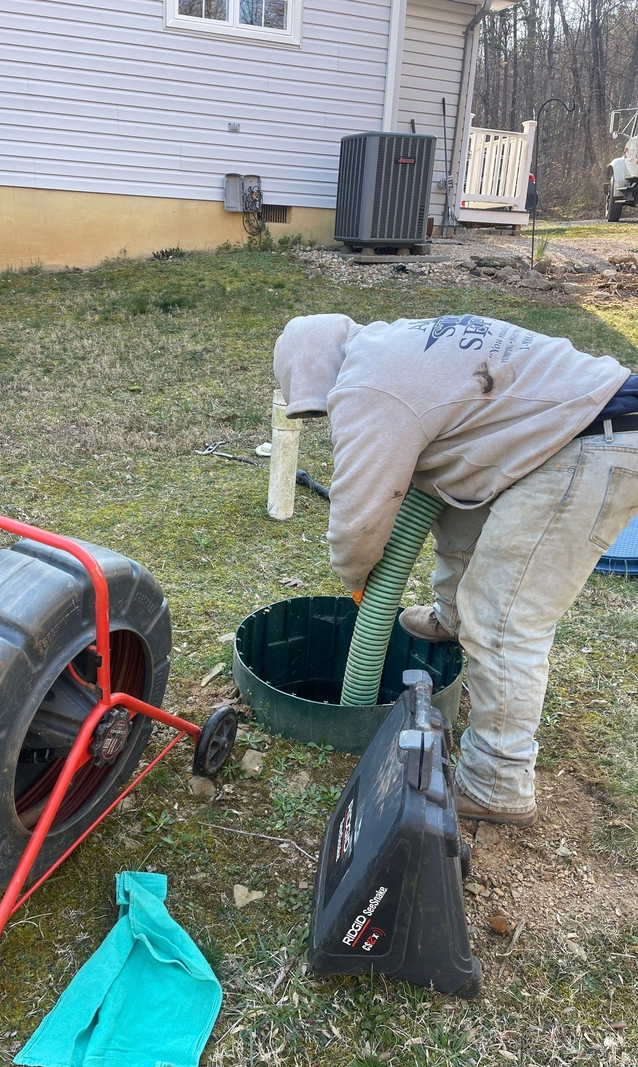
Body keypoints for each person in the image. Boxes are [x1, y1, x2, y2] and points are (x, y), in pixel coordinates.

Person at [273, 312, 638, 827]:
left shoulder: (370, 385)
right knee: (454, 506)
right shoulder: (396, 344)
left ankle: (497, 782)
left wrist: (357, 581)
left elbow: (359, 518)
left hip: (593, 440)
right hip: (571, 424)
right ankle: (452, 618)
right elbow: (436, 475)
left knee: (503, 619)